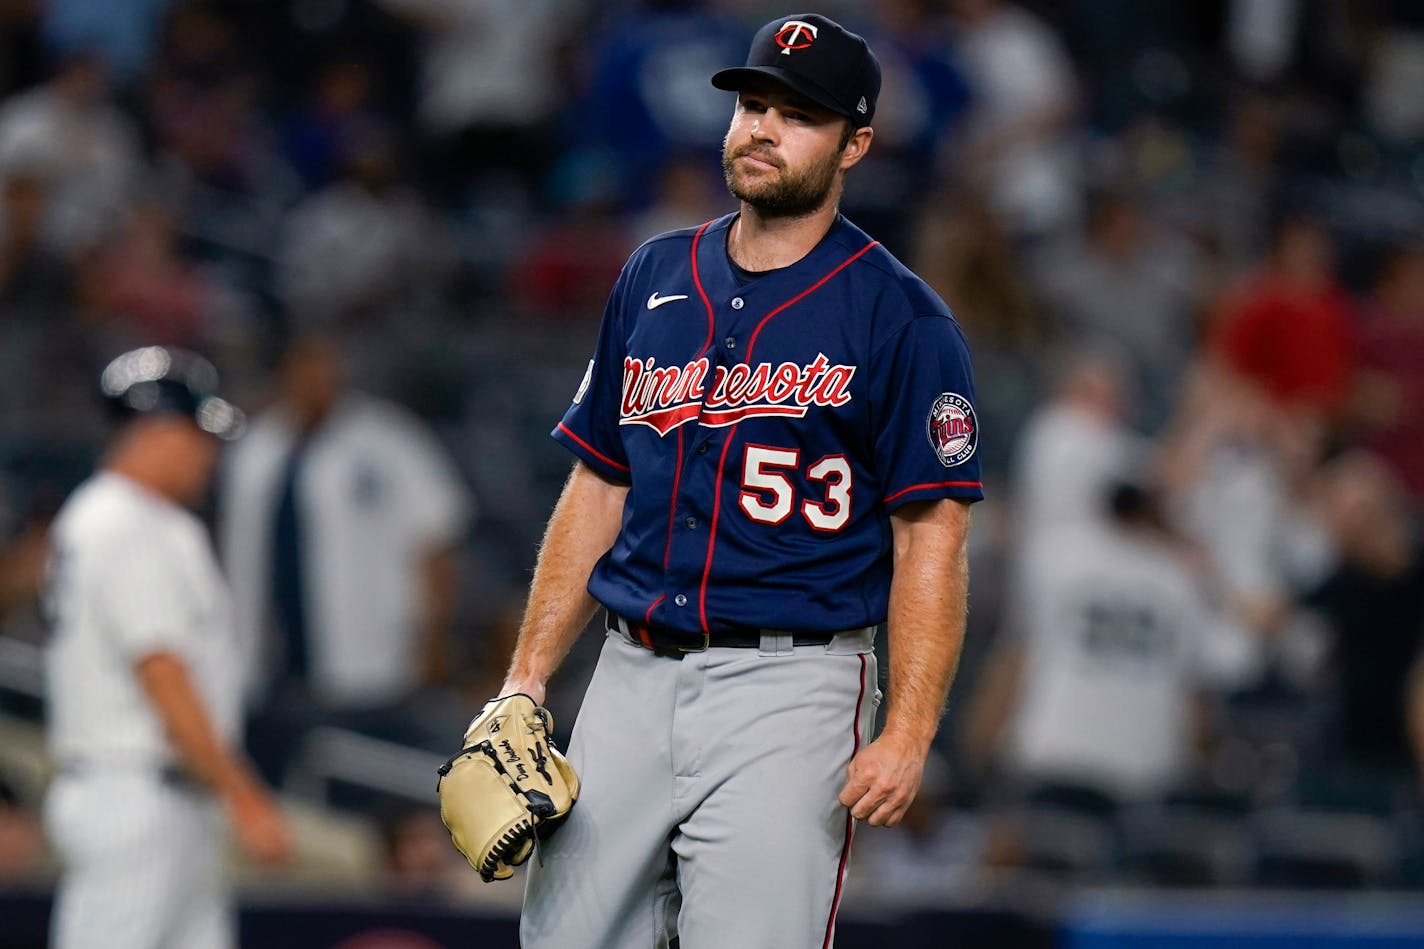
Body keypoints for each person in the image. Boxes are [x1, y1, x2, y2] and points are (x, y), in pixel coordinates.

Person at [472, 14, 982, 947]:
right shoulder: (653, 273)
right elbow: (597, 484)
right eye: (752, 105)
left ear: (855, 143)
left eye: (799, 115)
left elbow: (932, 535)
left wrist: (908, 730)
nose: (761, 129)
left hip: (794, 685)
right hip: (628, 673)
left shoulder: (903, 318)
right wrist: (528, 675)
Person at [42, 345, 292, 949]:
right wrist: (246, 799)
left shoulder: (110, 517)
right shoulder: (127, 523)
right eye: (195, 435)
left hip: (160, 796)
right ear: (153, 430)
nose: (208, 455)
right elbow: (163, 674)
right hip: (135, 796)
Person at [219, 333, 471, 783]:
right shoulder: (254, 447)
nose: (317, 380)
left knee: (365, 800)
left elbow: (436, 544)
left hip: (373, 669)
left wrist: (433, 641)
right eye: (304, 367)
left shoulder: (389, 440)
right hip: (266, 668)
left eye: (326, 366)